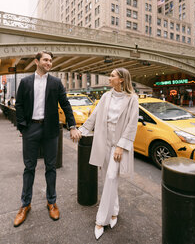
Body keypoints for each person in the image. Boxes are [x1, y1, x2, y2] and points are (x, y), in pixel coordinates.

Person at [14, 51, 80, 227]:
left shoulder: (56, 83)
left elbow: (65, 104)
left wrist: (72, 126)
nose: (49, 63)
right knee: (29, 167)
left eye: (50, 60)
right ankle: (25, 205)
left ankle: (51, 202)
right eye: (45, 60)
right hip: (31, 129)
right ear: (37, 61)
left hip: (50, 130)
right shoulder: (25, 81)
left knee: (51, 167)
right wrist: (22, 126)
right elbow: (19, 104)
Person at [78, 67, 139, 240]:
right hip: (103, 142)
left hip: (118, 144)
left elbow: (132, 124)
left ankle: (101, 220)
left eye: (112, 76)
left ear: (121, 79)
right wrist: (82, 130)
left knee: (112, 177)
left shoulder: (132, 99)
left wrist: (121, 146)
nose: (109, 78)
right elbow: (94, 116)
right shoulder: (106, 96)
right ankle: (114, 211)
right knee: (107, 179)